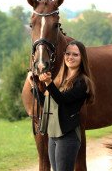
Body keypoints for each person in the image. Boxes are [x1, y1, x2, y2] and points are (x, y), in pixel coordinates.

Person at [27, 40, 95, 171]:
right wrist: (33, 85)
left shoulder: (82, 82)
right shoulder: (61, 80)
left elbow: (62, 101)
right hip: (53, 135)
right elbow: (47, 104)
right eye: (68, 53)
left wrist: (48, 83)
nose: (70, 57)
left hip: (67, 136)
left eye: (75, 55)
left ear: (82, 58)